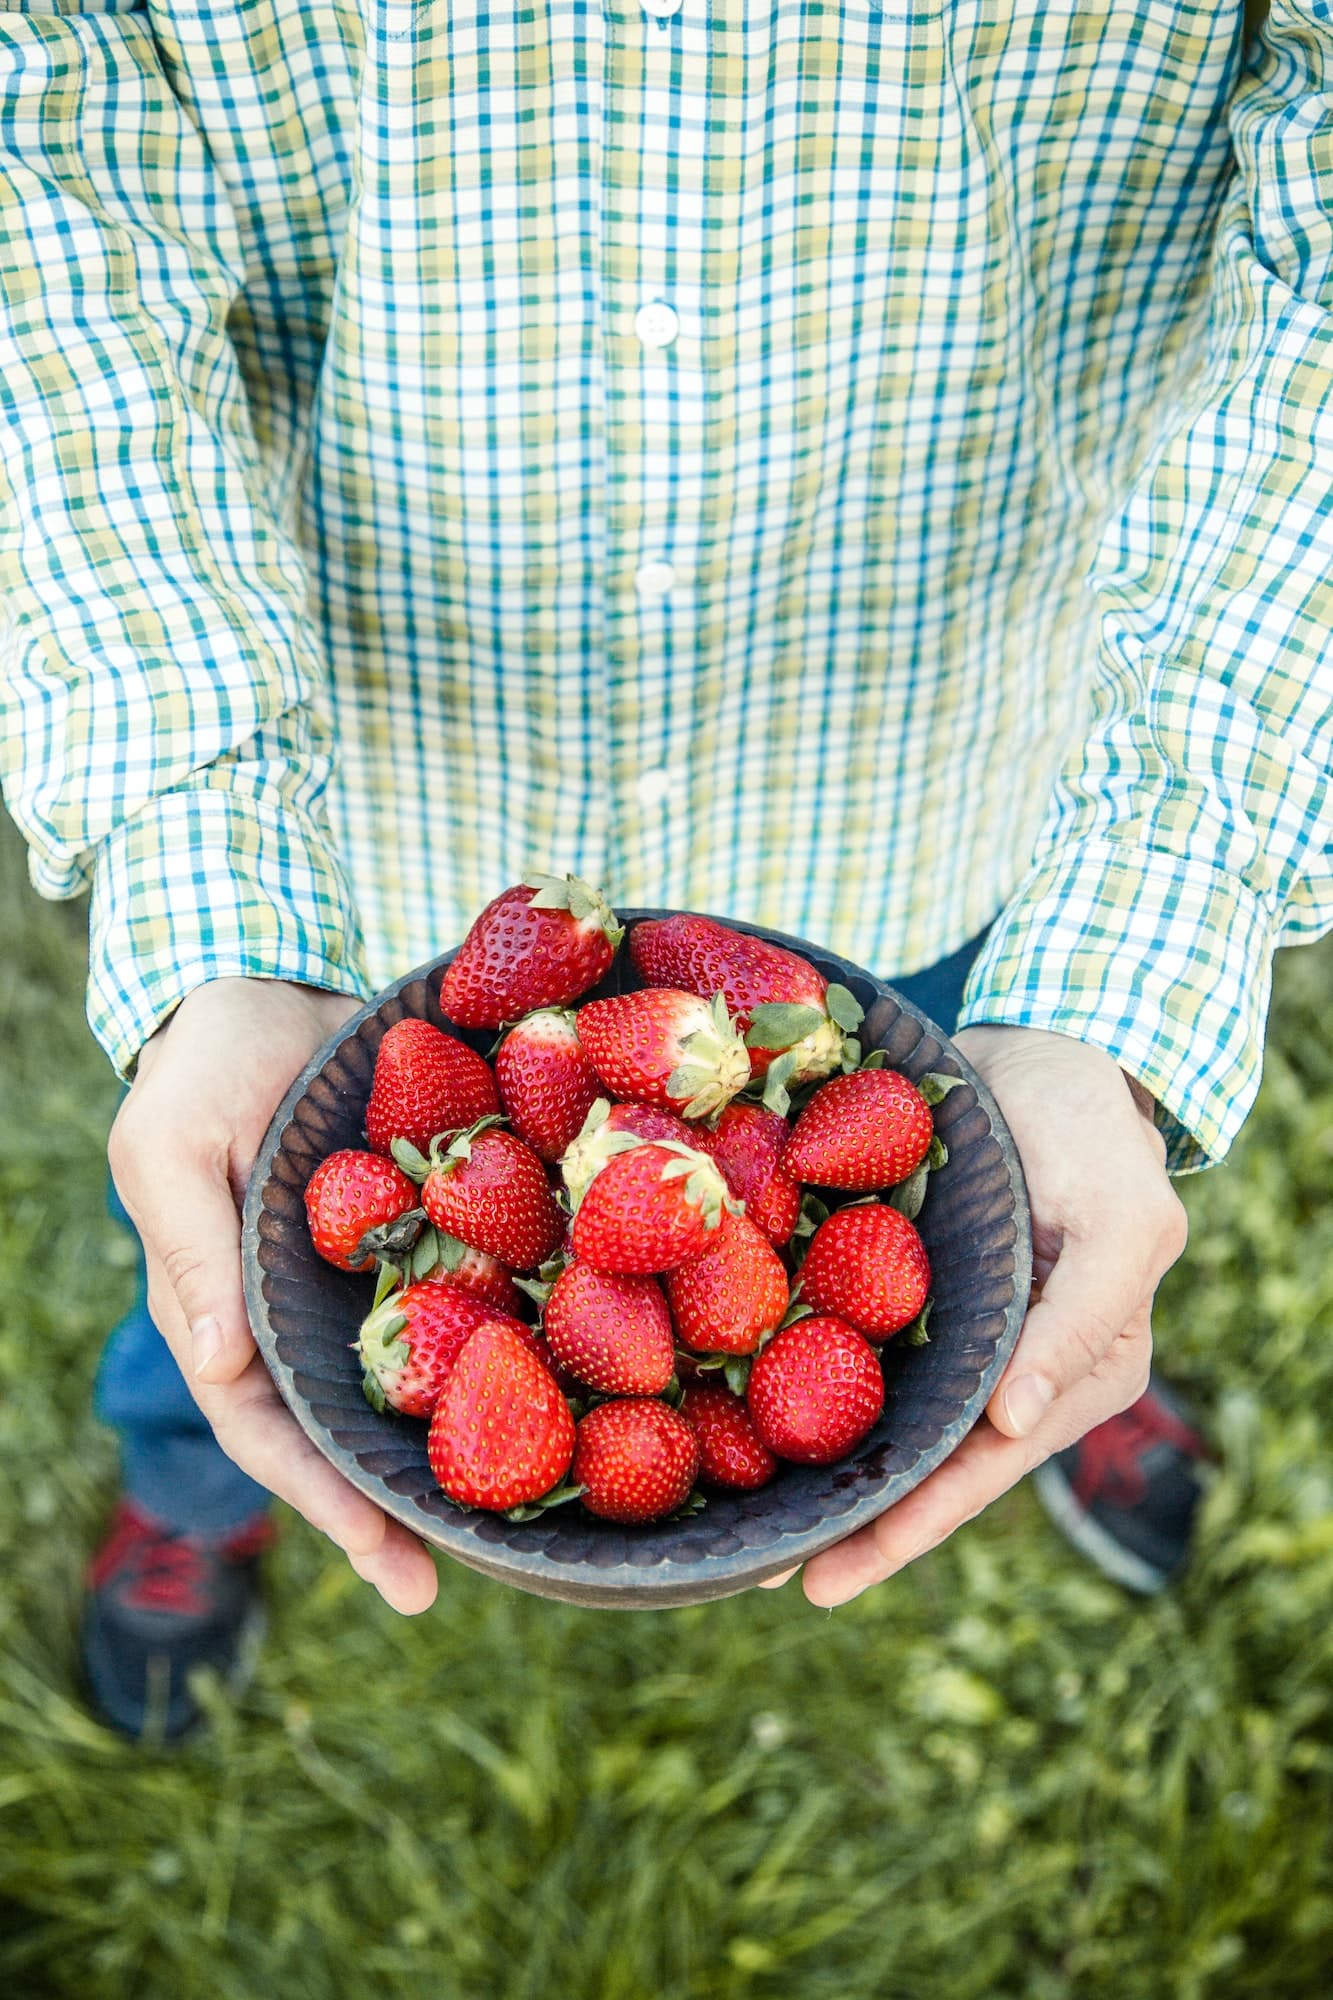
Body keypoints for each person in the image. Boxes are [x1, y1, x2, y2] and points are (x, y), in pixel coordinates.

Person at [1, 0, 1327, 1737]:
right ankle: (190, 1496)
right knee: (228, 1250)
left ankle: (1029, 1344)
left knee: (968, 1167)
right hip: (359, 832)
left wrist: (1134, 946)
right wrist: (204, 871)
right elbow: (40, 162)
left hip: (921, 764)